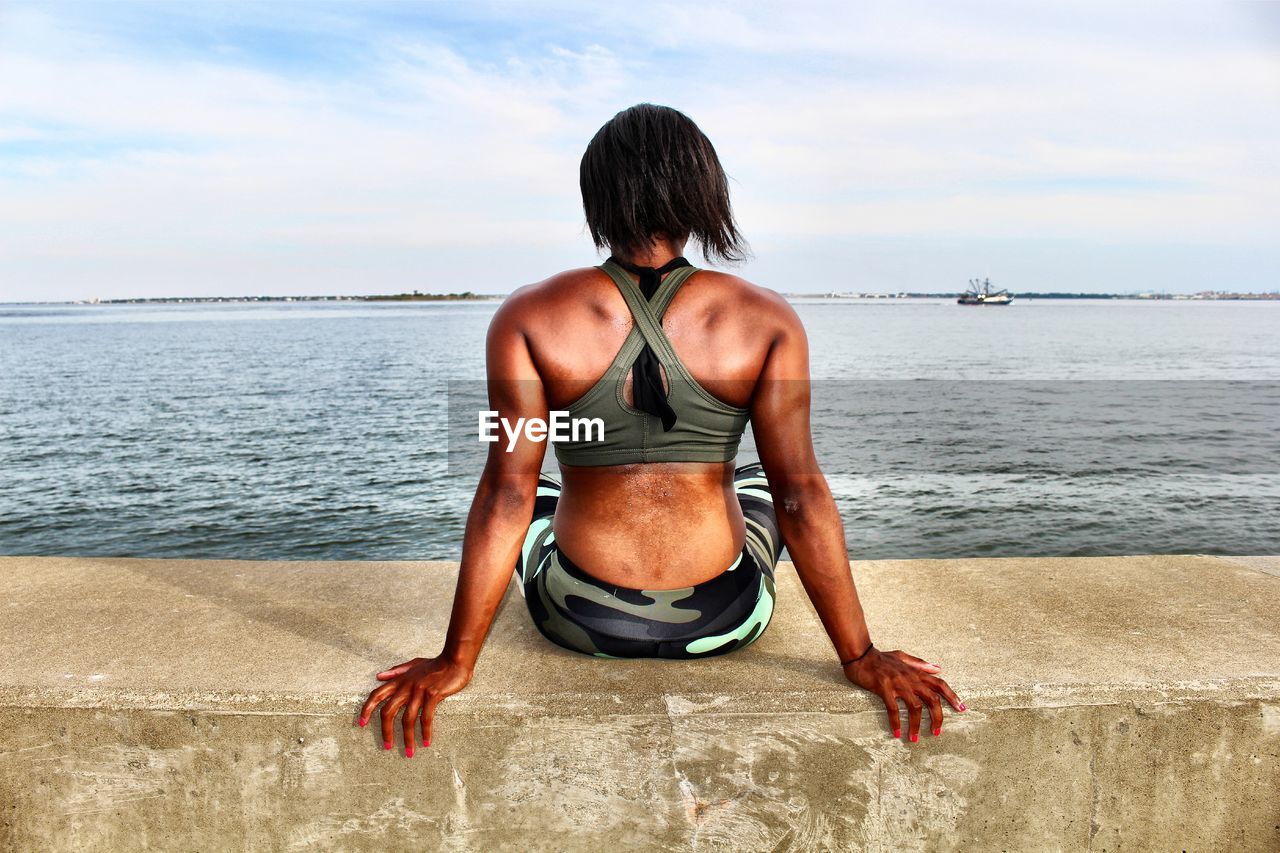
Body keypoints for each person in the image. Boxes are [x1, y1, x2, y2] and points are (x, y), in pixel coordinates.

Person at [359, 103, 964, 756]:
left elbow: (506, 494)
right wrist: (861, 654)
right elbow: (803, 497)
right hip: (725, 617)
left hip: (579, 617)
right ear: (702, 195)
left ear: (598, 198)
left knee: (533, 489)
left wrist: (456, 659)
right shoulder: (766, 319)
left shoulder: (528, 316)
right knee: (766, 481)